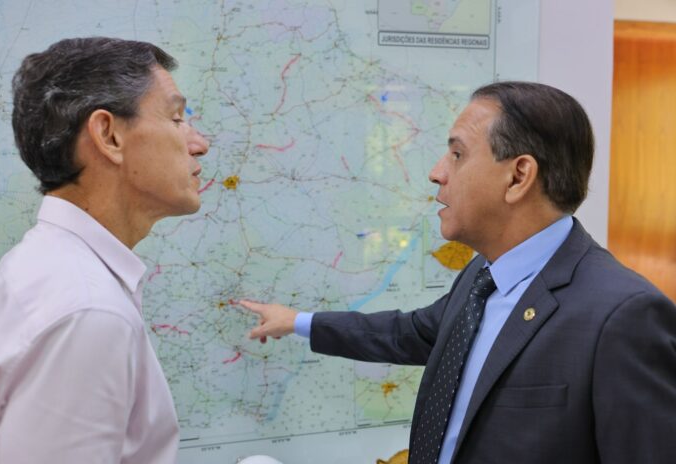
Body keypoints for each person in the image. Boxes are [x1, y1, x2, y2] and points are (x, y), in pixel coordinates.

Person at [240, 82, 676, 464]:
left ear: (518, 176)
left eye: (457, 154)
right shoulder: (482, 277)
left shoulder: (622, 316)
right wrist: (298, 322)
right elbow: (411, 333)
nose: (437, 173)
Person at [0, 37, 209, 463]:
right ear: (108, 135)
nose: (199, 143)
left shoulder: (47, 268)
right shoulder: (86, 310)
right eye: (177, 118)